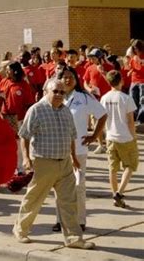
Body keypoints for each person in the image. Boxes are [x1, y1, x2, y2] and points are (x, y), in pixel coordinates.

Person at [12, 79, 95, 250]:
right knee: (34, 199)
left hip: (65, 163)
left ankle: (73, 238)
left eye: (62, 92)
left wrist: (74, 157)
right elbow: (24, 136)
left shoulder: (66, 111)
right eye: (55, 91)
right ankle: (20, 230)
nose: (58, 95)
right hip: (44, 163)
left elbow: (71, 136)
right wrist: (26, 159)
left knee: (69, 202)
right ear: (46, 91)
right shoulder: (36, 110)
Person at [52, 66, 107, 232]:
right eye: (65, 77)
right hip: (58, 150)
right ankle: (59, 220)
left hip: (79, 150)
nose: (68, 80)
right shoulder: (53, 97)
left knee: (78, 186)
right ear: (59, 79)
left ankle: (80, 220)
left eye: (71, 77)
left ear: (76, 80)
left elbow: (103, 114)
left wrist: (94, 136)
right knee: (59, 186)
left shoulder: (84, 97)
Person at [100, 70, 139, 208]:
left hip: (111, 136)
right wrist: (133, 136)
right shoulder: (125, 98)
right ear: (121, 81)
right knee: (130, 165)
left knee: (113, 168)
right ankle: (119, 192)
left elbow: (102, 117)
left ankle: (114, 193)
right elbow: (130, 121)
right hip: (125, 137)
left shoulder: (104, 98)